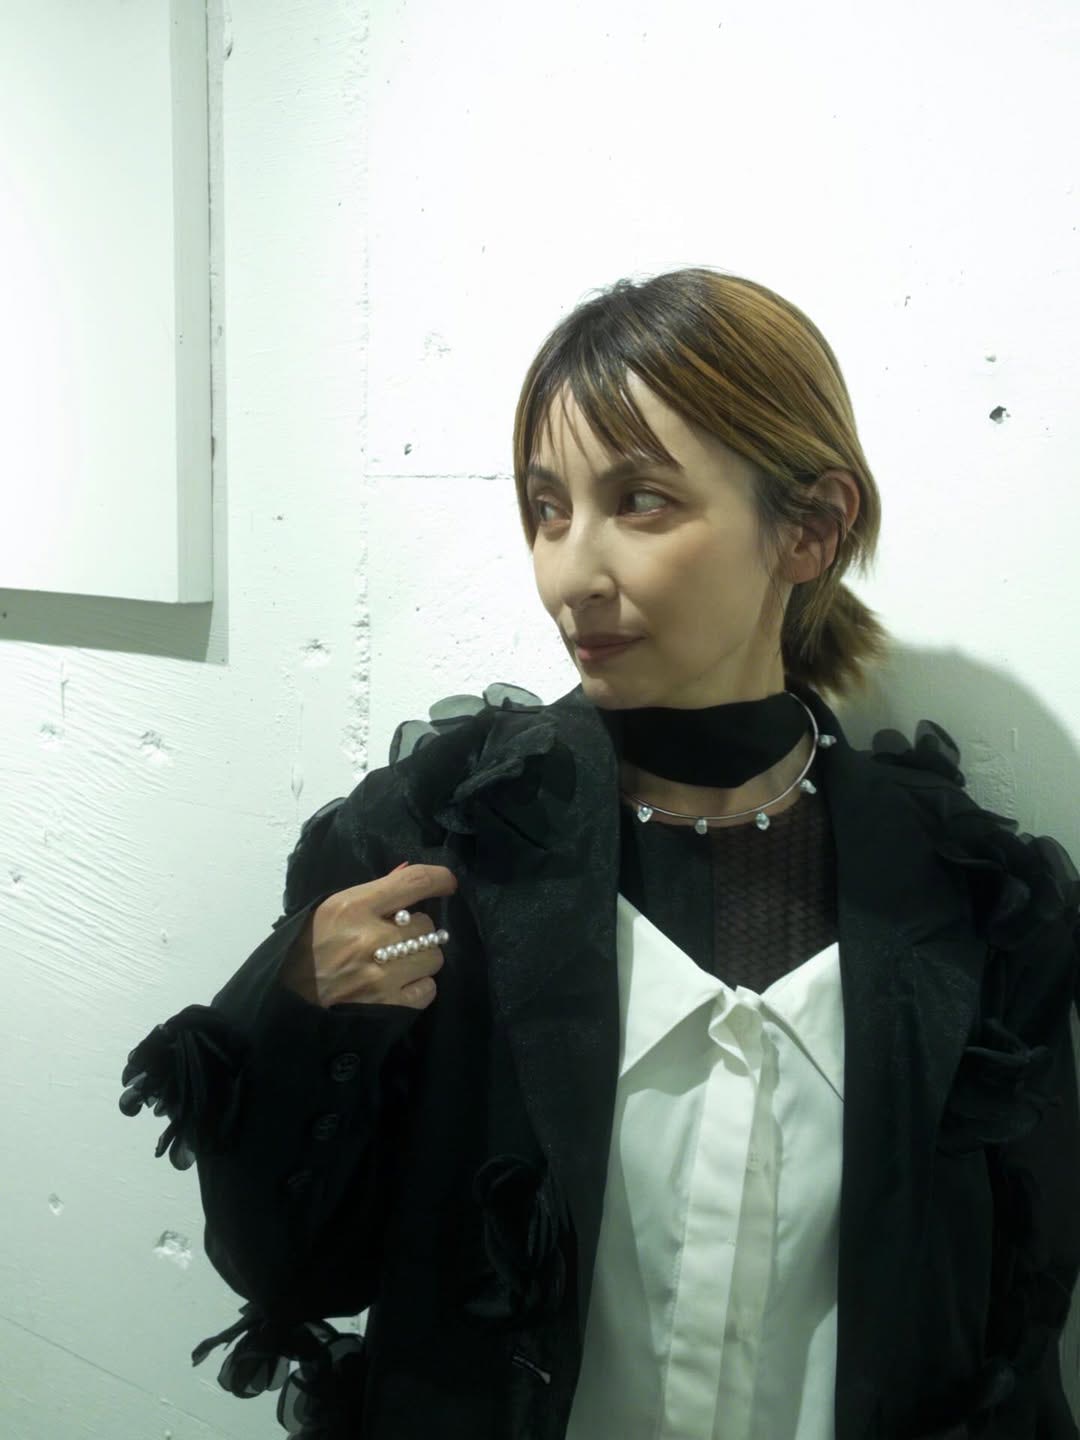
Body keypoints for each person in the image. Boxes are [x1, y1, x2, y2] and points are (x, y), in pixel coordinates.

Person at [119, 268, 1080, 1440]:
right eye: (547, 508)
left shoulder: (965, 902)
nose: (570, 573)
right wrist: (303, 1012)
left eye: (641, 502)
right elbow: (294, 1271)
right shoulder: (440, 846)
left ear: (811, 527)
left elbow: (1014, 1330)